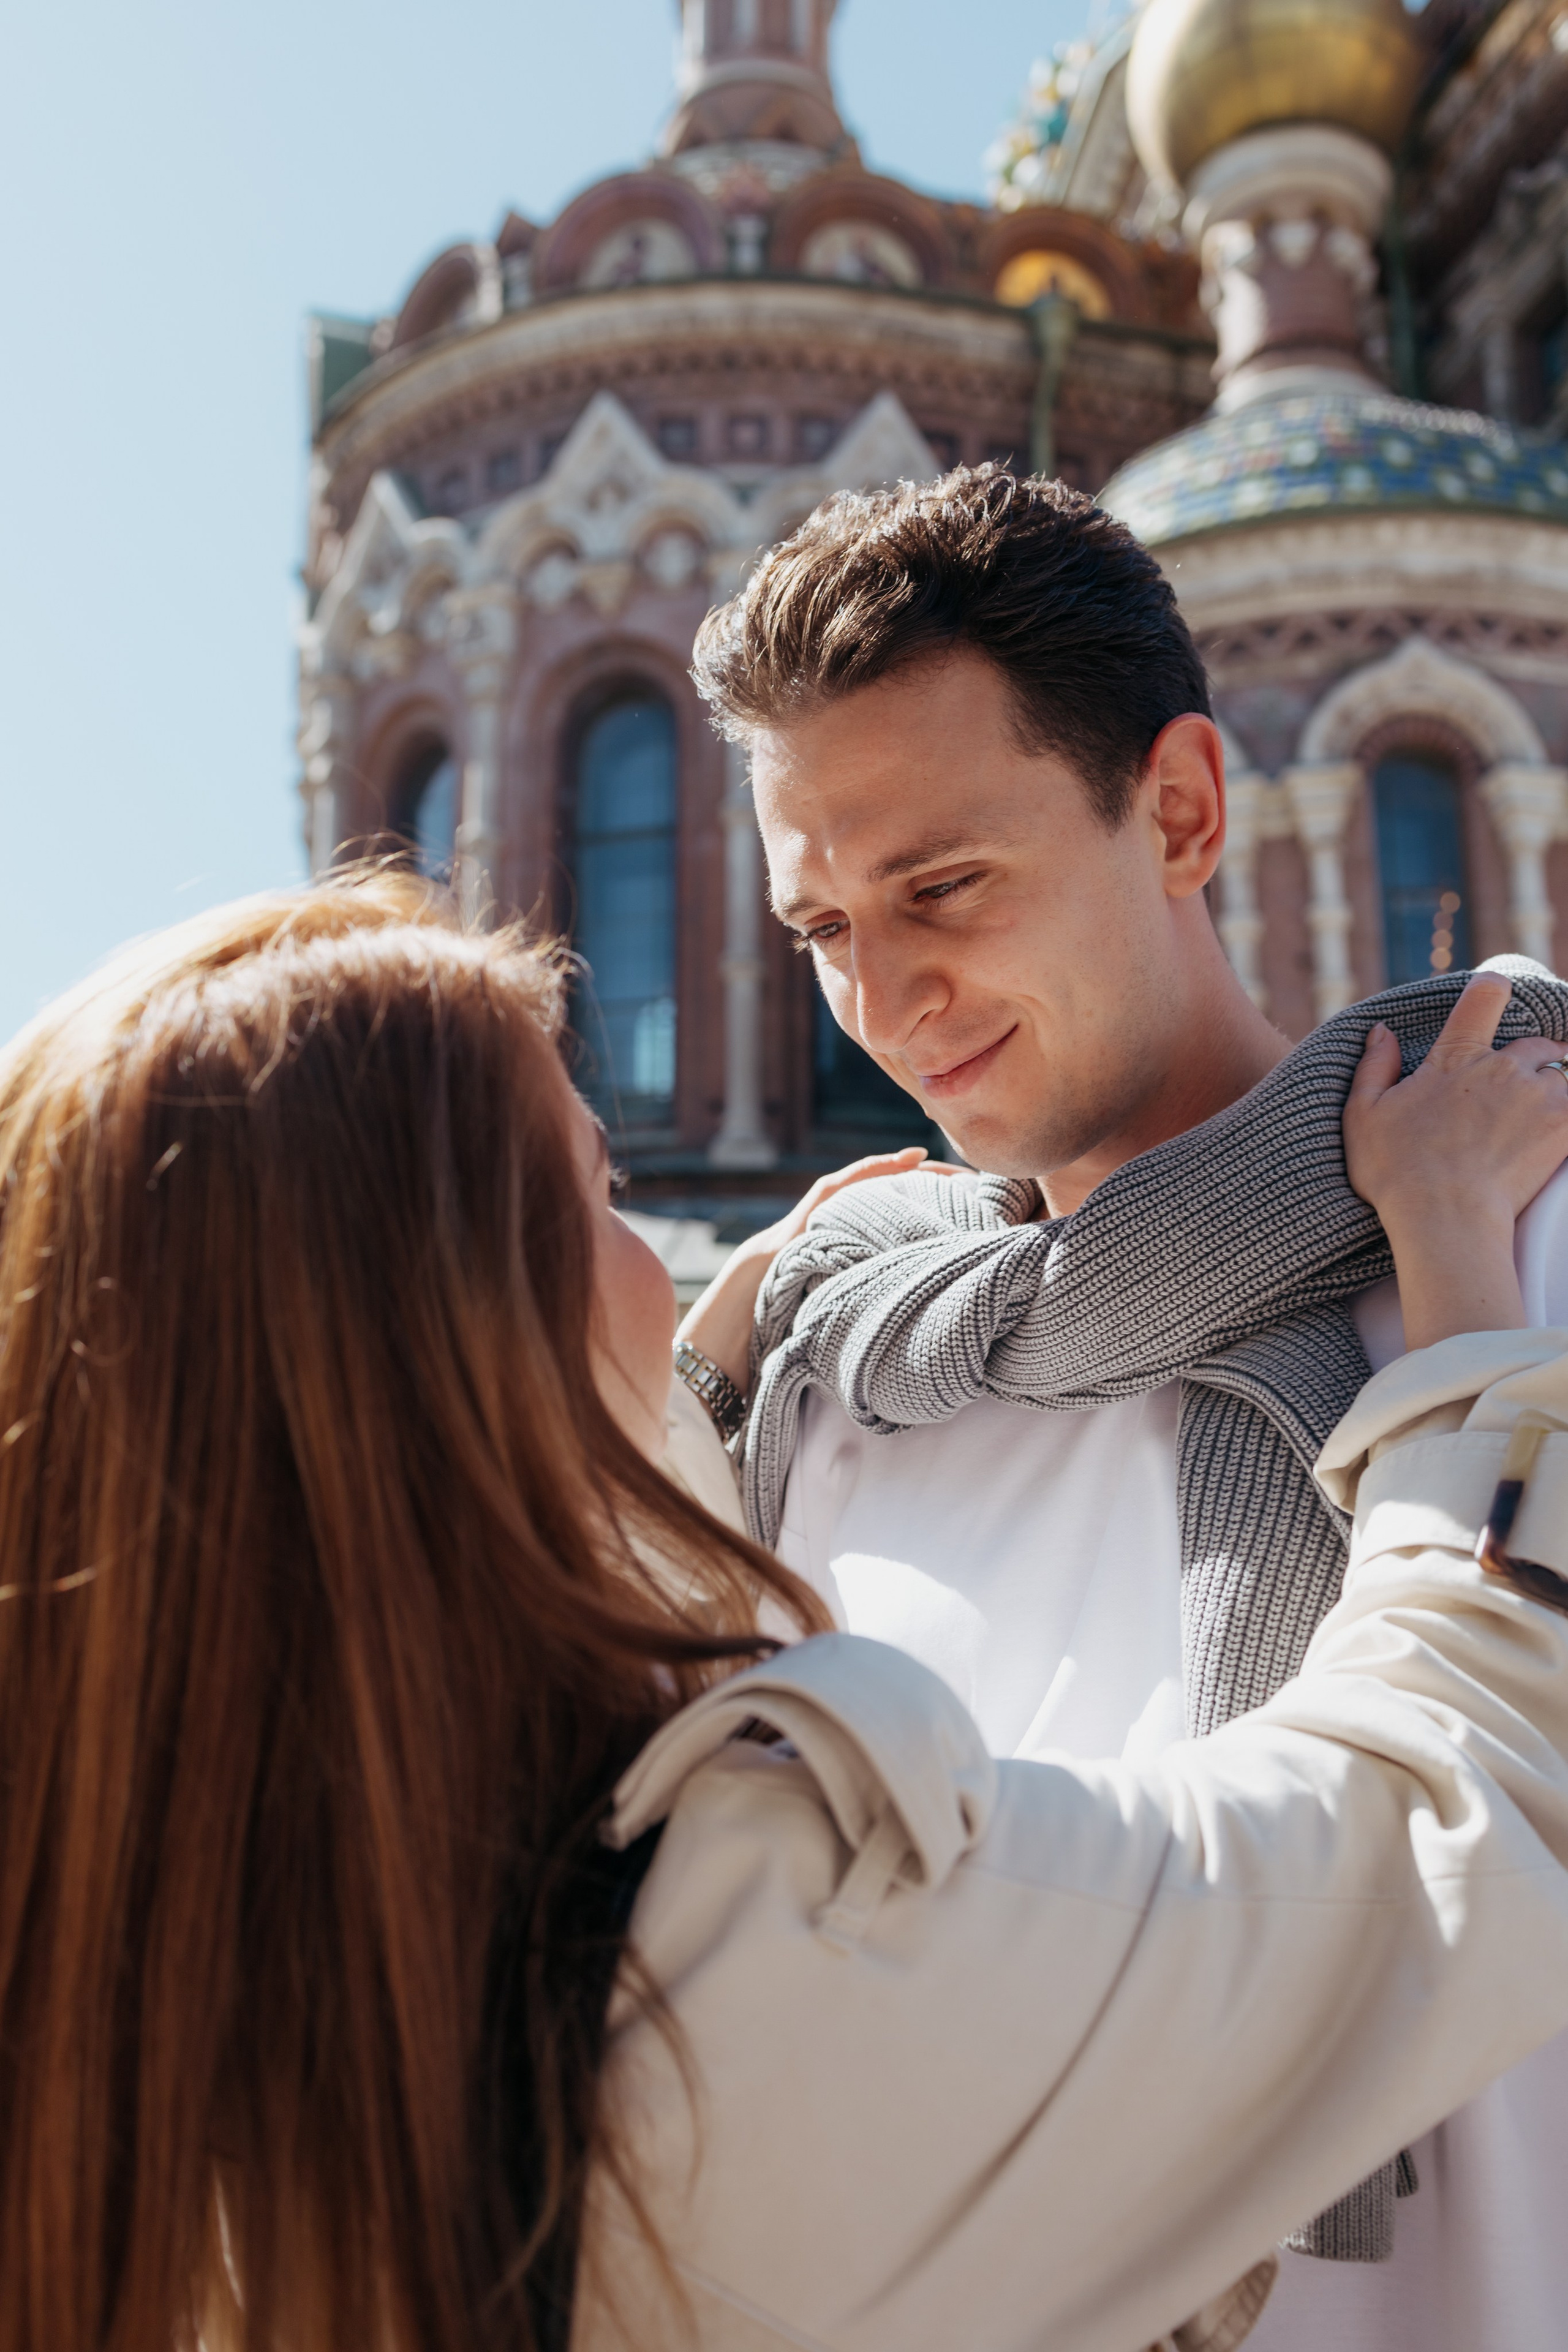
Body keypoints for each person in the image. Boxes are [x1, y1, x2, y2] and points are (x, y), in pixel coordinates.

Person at [8, 873, 1568, 2352]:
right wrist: (1453, 1288)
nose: (651, 1269)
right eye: (595, 1195)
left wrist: (704, 1370)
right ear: (455, 1343)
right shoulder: (715, 1971)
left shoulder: (141, 2000)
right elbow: (1435, 1827)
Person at [679, 465, 1568, 2342]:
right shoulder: (840, 1391)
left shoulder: (1525, 1236)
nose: (890, 999)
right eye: (824, 928)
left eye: (944, 887)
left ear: (1176, 810)